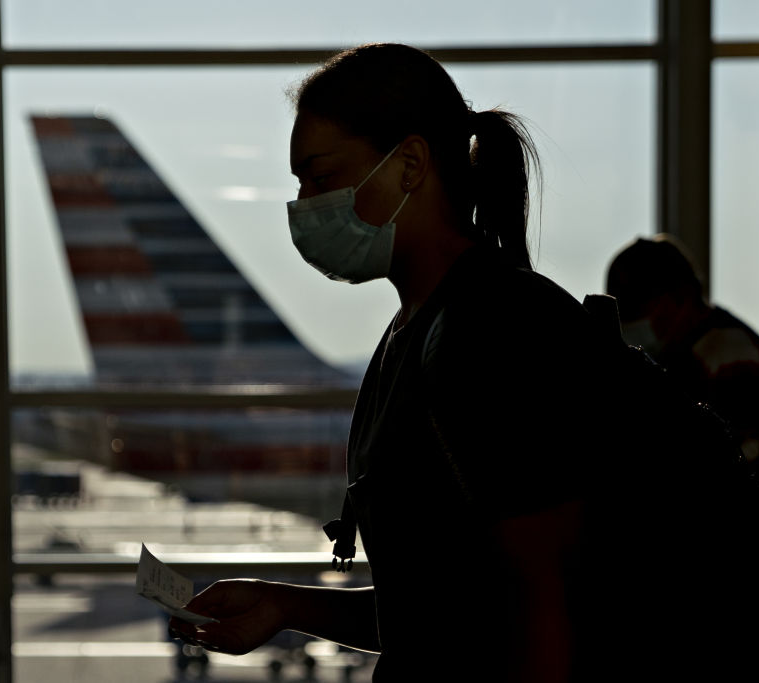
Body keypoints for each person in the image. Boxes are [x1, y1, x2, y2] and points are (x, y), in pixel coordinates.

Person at [169, 43, 667, 681]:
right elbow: (445, 613)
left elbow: (550, 607)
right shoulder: (420, 330)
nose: (304, 204)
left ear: (409, 164)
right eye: (299, 183)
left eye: (321, 177)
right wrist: (282, 605)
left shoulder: (495, 334)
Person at [606, 234, 759, 482]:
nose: (630, 323)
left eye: (639, 309)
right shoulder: (685, 353)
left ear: (680, 298)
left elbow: (739, 463)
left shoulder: (729, 355)